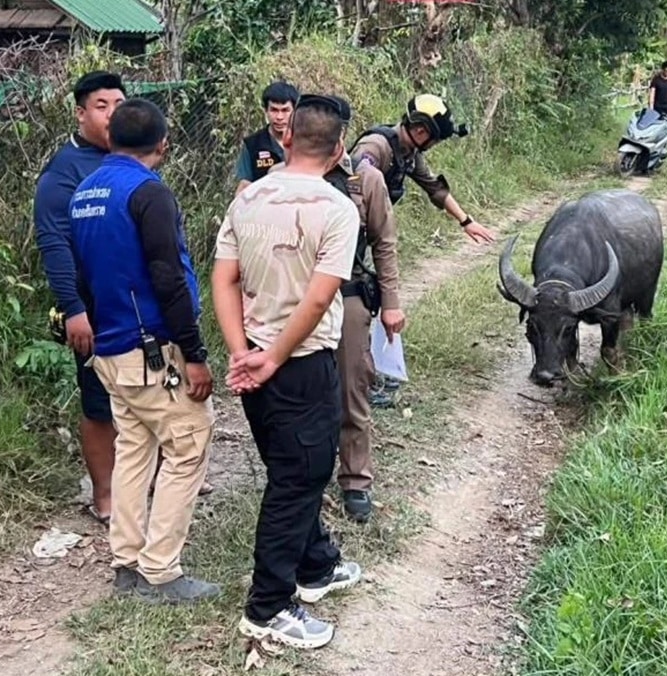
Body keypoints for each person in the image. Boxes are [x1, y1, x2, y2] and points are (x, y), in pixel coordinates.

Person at [213, 93, 364, 649]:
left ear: (285, 137)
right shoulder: (336, 208)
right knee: (296, 480)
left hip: (254, 359)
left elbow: (224, 280)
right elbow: (322, 297)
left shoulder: (248, 198)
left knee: (291, 467)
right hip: (297, 364)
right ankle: (268, 607)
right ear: (339, 148)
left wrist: (242, 351)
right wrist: (273, 356)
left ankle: (317, 566)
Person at [70, 98, 219, 604]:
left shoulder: (85, 193)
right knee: (188, 445)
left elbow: (84, 275)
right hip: (152, 349)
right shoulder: (148, 193)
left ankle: (128, 562)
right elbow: (167, 277)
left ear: (110, 140)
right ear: (163, 144)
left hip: (110, 350)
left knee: (133, 450)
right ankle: (161, 571)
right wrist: (194, 355)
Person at [268, 95, 405, 523]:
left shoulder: (366, 181)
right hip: (290, 297)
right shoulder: (278, 180)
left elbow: (384, 242)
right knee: (294, 391)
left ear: (341, 137)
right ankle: (297, 476)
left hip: (346, 297)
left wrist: (392, 304)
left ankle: (355, 480)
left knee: (352, 388)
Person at [34, 71, 126, 525]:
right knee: (98, 403)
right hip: (95, 309)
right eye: (102, 105)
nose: (112, 114)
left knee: (149, 394)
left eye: (118, 104)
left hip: (140, 306)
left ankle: (156, 477)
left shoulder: (132, 156)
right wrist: (74, 309)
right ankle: (104, 497)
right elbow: (54, 244)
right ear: (81, 112)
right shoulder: (64, 172)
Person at [350, 93, 497, 245]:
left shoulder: (409, 152)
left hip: (368, 228)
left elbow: (434, 188)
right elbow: (353, 192)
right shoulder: (375, 147)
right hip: (347, 226)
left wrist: (466, 222)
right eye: (435, 140)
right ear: (421, 131)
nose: (434, 145)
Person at [233, 80, 300, 195]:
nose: (279, 117)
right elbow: (244, 185)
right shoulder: (252, 144)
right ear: (265, 111)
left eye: (285, 110)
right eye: (274, 110)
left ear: (295, 111)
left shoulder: (305, 142)